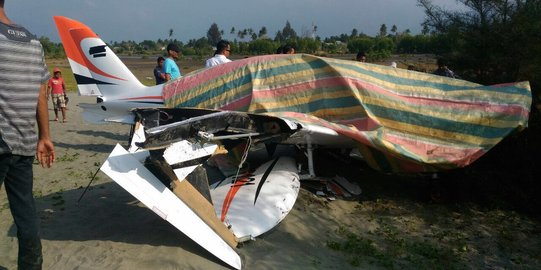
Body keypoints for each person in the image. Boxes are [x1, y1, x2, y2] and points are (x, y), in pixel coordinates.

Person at [0, 1, 56, 269]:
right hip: (24, 141)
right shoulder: (33, 42)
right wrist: (44, 136)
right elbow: (40, 93)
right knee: (25, 211)